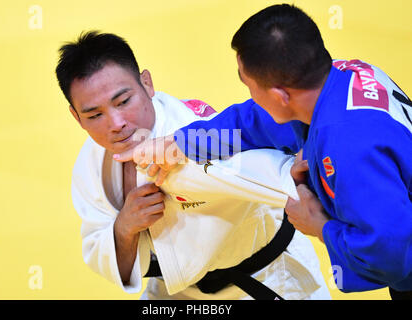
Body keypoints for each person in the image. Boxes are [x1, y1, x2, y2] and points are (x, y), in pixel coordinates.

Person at [115, 5, 412, 299]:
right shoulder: (340, 77)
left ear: (280, 95)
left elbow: (390, 256)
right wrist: (181, 143)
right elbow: (253, 121)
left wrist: (319, 225)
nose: (250, 95)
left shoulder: (350, 147)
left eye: (249, 85)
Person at [55, 31, 332, 300]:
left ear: (147, 84)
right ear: (76, 117)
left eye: (123, 101)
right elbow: (98, 244)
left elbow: (258, 166)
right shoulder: (91, 163)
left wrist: (294, 178)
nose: (116, 124)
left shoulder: (191, 138)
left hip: (270, 278)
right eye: (94, 115)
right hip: (177, 290)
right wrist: (125, 227)